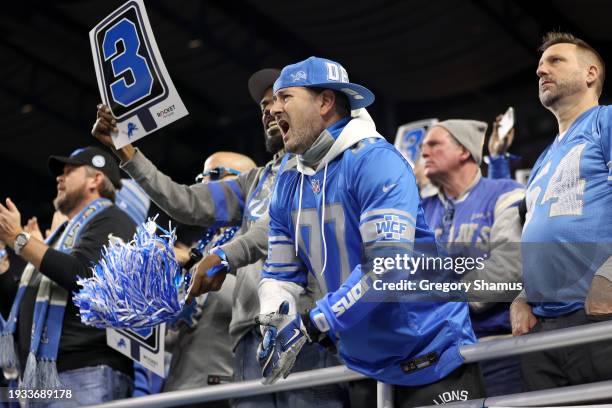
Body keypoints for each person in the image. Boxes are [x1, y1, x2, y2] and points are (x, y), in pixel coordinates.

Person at [91, 68, 347, 408]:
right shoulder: (254, 182)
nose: (270, 110)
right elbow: (185, 201)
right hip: (247, 339)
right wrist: (126, 151)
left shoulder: (324, 166)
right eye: (264, 105)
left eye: (281, 99)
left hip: (301, 328)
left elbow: (275, 226)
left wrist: (223, 256)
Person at [256, 56, 484, 407]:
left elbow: (388, 267)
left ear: (325, 102)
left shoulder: (376, 160)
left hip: (432, 355)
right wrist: (274, 316)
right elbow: (280, 272)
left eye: (285, 97)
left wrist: (316, 321)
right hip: (364, 365)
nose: (273, 109)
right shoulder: (287, 183)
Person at [511, 31, 612, 391]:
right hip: (543, 326)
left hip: (598, 314)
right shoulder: (541, 161)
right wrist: (522, 296)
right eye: (539, 66)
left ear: (590, 74)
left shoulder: (606, 122)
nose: (542, 71)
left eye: (555, 61)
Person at [0, 147, 135, 406]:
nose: (59, 179)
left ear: (95, 179)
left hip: (86, 372)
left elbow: (83, 275)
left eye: (69, 172)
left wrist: (19, 240)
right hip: (42, 379)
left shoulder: (113, 219)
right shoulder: (60, 238)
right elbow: (16, 308)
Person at [420, 119, 524, 396]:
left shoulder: (506, 193)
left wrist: (445, 297)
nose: (424, 152)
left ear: (464, 151)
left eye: (434, 144)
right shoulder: (418, 210)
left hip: (499, 350)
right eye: (423, 147)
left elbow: (510, 266)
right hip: (440, 356)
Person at [162, 151, 255, 408]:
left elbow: (252, 302)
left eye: (214, 174)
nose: (203, 184)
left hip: (221, 388)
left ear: (247, 183)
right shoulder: (207, 242)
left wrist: (194, 263)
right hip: (178, 385)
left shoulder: (257, 238)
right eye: (201, 175)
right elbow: (181, 332)